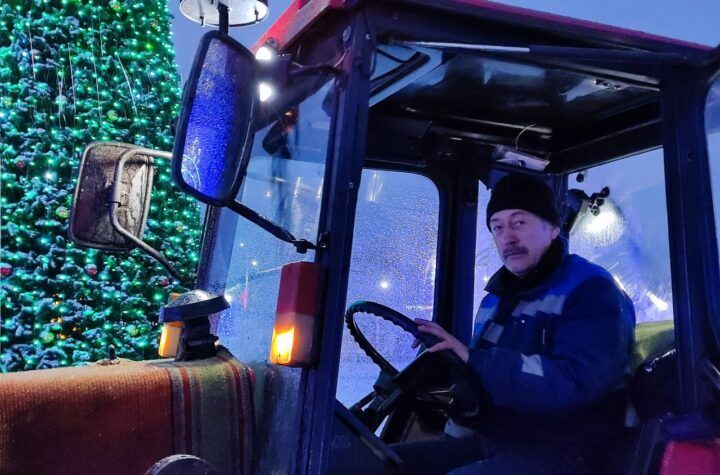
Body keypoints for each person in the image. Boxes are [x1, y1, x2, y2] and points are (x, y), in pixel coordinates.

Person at [391, 173, 636, 475]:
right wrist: (446, 359)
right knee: (375, 462)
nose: (508, 237)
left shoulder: (592, 291)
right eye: (498, 227)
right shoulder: (495, 299)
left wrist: (474, 360)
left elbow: (575, 383)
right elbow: (484, 372)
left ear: (553, 228)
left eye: (519, 222)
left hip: (569, 447)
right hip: (504, 436)